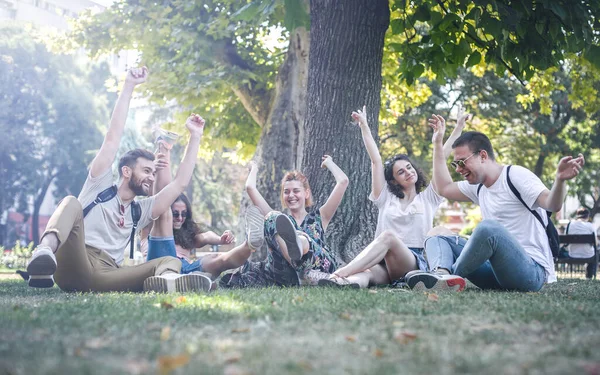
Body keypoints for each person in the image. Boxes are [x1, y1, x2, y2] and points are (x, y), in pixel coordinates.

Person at [25, 67, 211, 293]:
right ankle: (43, 253)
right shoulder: (99, 186)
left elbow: (180, 183)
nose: (151, 177)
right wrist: (129, 85)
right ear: (126, 171)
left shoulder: (139, 211)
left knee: (170, 262)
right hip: (76, 261)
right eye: (146, 171)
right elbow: (112, 139)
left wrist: (196, 136)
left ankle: (170, 282)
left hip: (107, 275)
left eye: (153, 173)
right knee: (71, 202)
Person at [407, 115, 585, 292]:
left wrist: (560, 181)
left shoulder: (514, 175)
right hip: (495, 272)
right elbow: (443, 187)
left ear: (483, 155)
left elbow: (552, 204)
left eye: (462, 162)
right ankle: (440, 274)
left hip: (530, 272)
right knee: (437, 234)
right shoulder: (478, 187)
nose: (459, 169)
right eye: (455, 164)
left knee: (488, 228)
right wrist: (438, 143)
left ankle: (450, 276)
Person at [319, 105, 468, 289]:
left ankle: (339, 273)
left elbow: (440, 159)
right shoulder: (386, 198)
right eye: (401, 172)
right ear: (394, 181)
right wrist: (364, 126)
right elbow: (376, 161)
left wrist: (458, 127)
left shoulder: (428, 197)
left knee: (388, 236)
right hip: (383, 262)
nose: (408, 172)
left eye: (409, 167)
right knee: (365, 273)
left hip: (412, 262)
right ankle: (344, 283)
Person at [140, 139, 264, 281]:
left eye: (184, 214)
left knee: (217, 260)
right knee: (163, 214)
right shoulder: (150, 225)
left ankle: (249, 244)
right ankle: (193, 280)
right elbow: (157, 198)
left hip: (184, 269)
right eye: (175, 213)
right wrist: (158, 162)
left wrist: (220, 239)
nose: (180, 218)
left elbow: (205, 237)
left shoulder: (186, 235)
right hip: (158, 267)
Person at [220, 156, 349, 288]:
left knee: (304, 241)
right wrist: (254, 168)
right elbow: (250, 187)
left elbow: (343, 181)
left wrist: (329, 163)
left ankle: (303, 262)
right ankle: (299, 271)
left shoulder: (321, 216)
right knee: (271, 217)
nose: (291, 195)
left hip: (315, 266)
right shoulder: (280, 221)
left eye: (296, 191)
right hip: (286, 274)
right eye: (286, 192)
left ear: (306, 193)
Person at [563, 207, 597, 278]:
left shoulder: (569, 225)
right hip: (588, 255)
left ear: (577, 216)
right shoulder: (590, 226)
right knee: (596, 253)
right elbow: (595, 242)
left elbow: (565, 242)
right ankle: (589, 276)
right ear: (587, 216)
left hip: (572, 254)